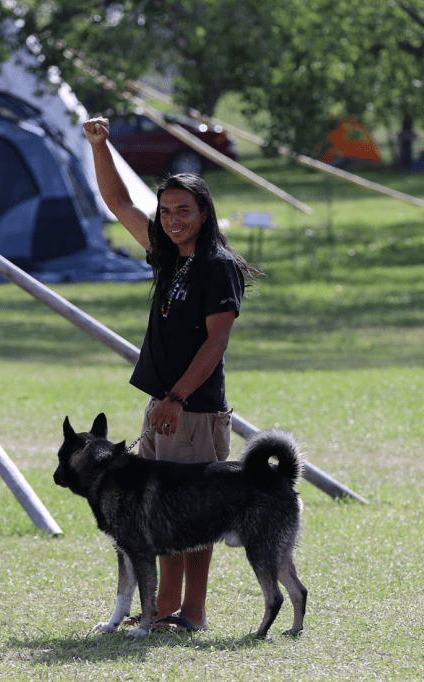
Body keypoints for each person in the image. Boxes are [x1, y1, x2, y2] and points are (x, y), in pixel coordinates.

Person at [82, 116, 258, 632]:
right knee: (162, 516)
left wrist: (177, 398)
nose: (173, 219)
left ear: (204, 213)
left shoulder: (217, 266)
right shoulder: (168, 256)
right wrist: (100, 145)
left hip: (192, 407)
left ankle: (193, 613)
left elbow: (216, 341)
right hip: (165, 404)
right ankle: (163, 608)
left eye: (184, 210)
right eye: (166, 211)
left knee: (196, 517)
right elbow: (118, 203)